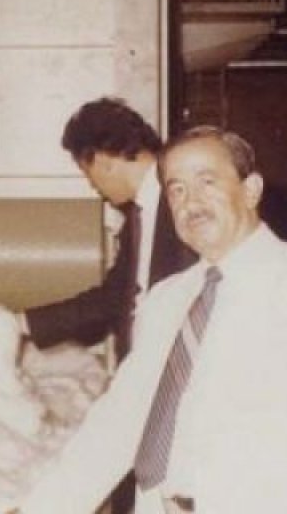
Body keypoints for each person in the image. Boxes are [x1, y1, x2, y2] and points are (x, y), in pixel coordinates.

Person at [16, 126, 287, 514]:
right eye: (177, 189)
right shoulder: (166, 300)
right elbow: (118, 424)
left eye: (207, 182)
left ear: (251, 190)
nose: (191, 202)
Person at [23, 97, 196, 356]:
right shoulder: (139, 217)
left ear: (103, 160)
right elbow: (114, 299)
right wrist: (23, 324)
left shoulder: (182, 201)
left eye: (87, 173)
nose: (93, 186)